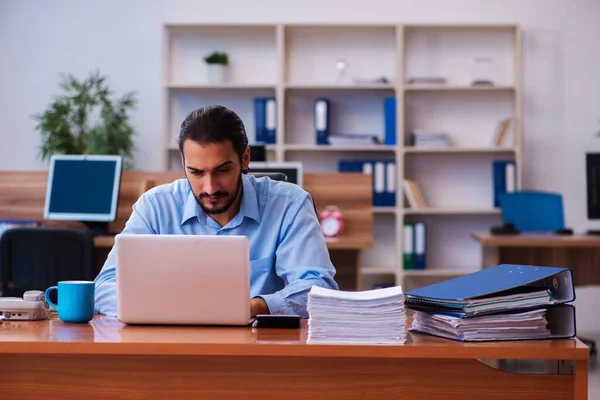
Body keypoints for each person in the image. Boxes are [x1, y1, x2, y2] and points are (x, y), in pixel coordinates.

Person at [94, 105, 339, 318]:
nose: (210, 187)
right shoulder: (155, 207)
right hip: (172, 348)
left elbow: (317, 289)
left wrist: (255, 306)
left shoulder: (290, 205)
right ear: (183, 163)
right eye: (197, 172)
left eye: (222, 170)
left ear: (245, 159)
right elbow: (104, 287)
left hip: (259, 352)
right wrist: (172, 307)